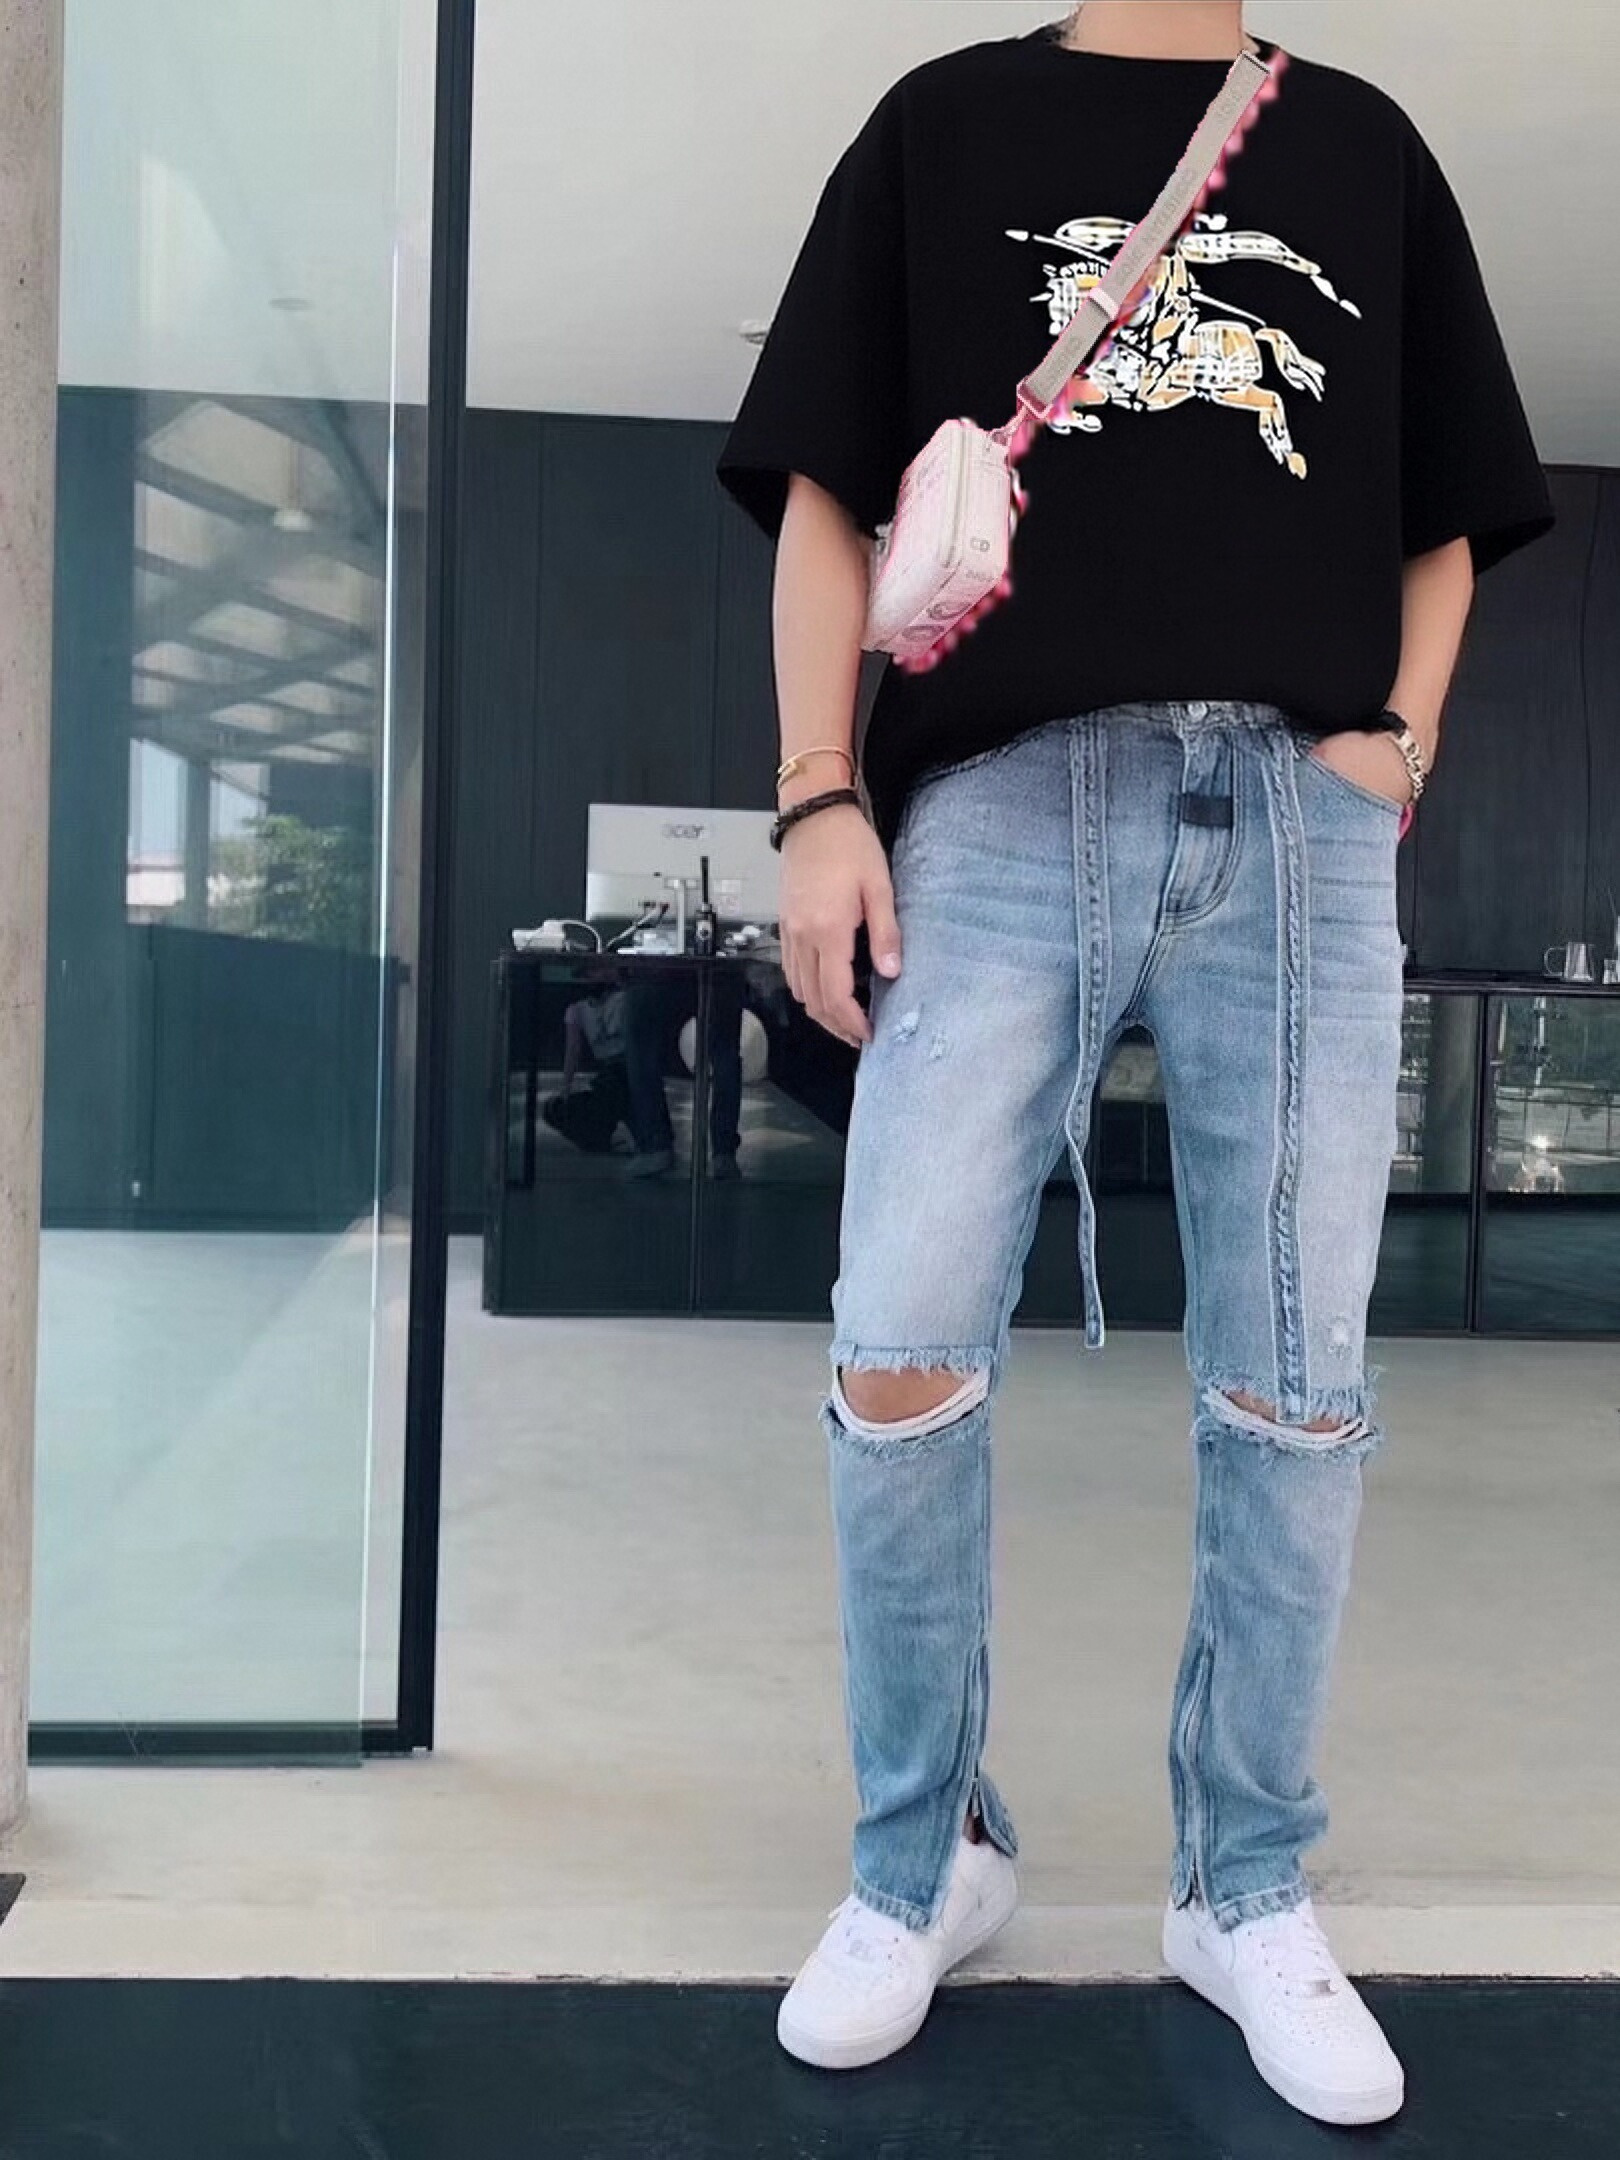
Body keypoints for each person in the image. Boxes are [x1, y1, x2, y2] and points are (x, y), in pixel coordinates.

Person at [715, 0, 1554, 2128]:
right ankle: (923, 1855)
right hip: (997, 805)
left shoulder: (1360, 143)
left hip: (1296, 807)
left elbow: (1446, 508)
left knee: (1299, 1379)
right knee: (899, 1345)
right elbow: (824, 485)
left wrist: (1392, 756)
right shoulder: (941, 125)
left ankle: (1242, 1878)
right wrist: (818, 792)